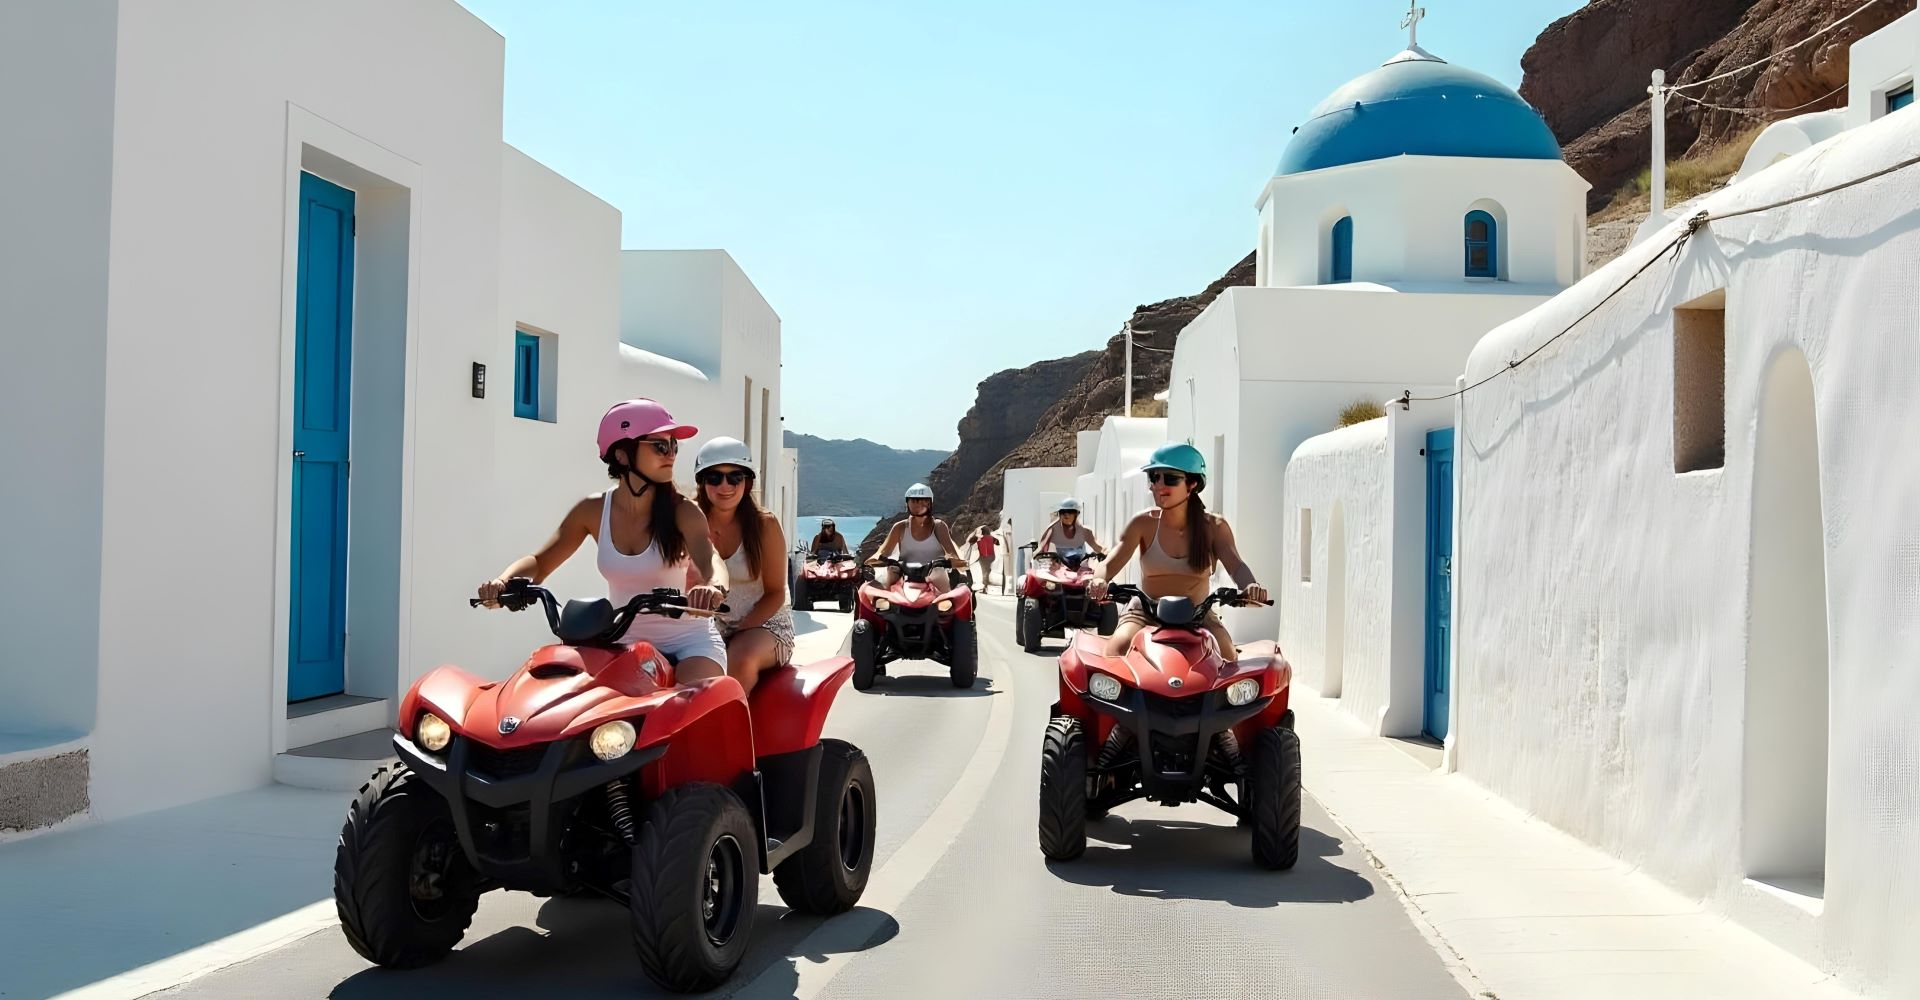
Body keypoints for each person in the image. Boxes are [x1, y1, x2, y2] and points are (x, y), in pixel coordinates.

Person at [477, 399, 731, 681]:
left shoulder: (683, 511)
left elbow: (710, 559)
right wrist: (503, 582)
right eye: (660, 445)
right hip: (622, 643)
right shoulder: (592, 511)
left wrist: (713, 586)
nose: (670, 453)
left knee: (687, 704)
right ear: (622, 455)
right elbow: (540, 562)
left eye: (673, 445)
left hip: (690, 644)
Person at [1089, 443, 1268, 659]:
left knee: (1228, 655)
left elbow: (1236, 565)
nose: (1158, 485)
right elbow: (1110, 562)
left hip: (1198, 613)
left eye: (1170, 479)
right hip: (1145, 612)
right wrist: (1099, 579)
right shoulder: (1142, 524)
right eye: (1154, 477)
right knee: (1116, 649)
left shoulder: (1215, 527)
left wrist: (1250, 585)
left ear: (1192, 483)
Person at [693, 437, 795, 692]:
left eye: (734, 477)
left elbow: (775, 592)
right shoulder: (689, 521)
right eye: (714, 477)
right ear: (702, 482)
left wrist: (740, 629)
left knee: (739, 657)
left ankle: (732, 729)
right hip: (707, 627)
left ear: (747, 482)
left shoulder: (765, 525)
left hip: (764, 623)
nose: (724, 485)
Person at [868, 483, 964, 590]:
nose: (918, 504)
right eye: (914, 501)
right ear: (907, 503)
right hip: (905, 574)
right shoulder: (899, 527)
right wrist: (873, 560)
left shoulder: (939, 526)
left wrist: (953, 561)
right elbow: (883, 551)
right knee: (890, 576)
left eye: (924, 501)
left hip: (935, 573)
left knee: (946, 596)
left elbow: (951, 552)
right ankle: (889, 605)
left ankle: (947, 603)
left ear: (930, 503)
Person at [1034, 497, 1105, 560]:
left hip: (1080, 566)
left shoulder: (1085, 531)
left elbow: (1097, 548)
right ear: (1059, 513)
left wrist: (1108, 555)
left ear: (1076, 514)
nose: (1066, 514)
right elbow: (1040, 549)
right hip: (1060, 567)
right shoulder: (1052, 530)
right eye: (1063, 511)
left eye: (1070, 511)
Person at [970, 526, 998, 591]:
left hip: (983, 557)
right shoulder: (992, 538)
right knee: (987, 571)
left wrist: (976, 536)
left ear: (982, 531)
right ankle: (986, 584)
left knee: (984, 571)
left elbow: (970, 541)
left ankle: (985, 586)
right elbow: (998, 543)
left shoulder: (979, 538)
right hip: (991, 556)